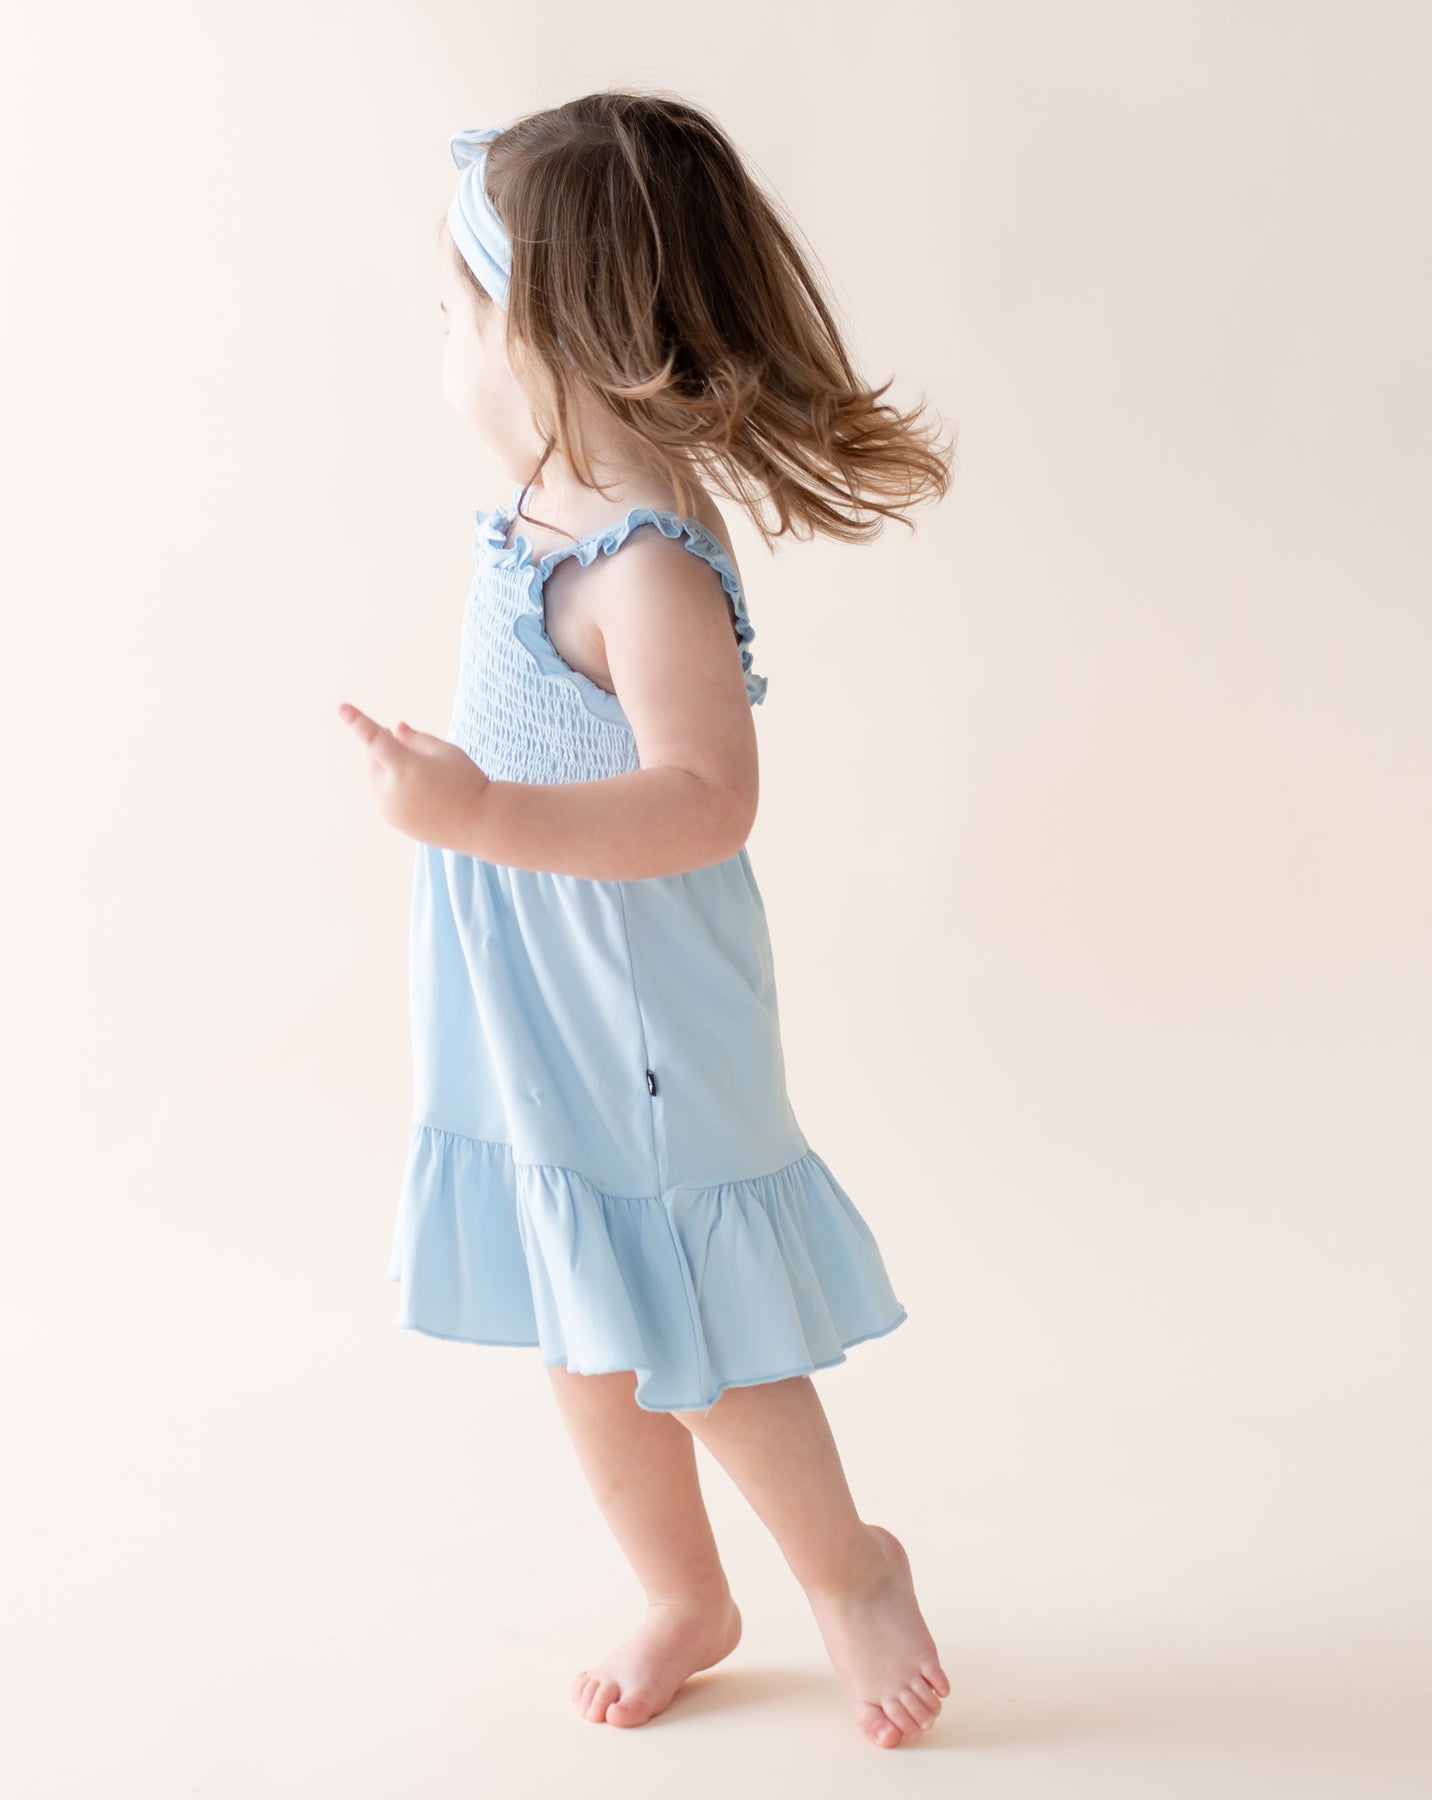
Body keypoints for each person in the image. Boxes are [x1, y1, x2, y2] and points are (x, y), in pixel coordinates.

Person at [338, 91, 956, 1749]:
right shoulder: (542, 507)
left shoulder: (647, 567)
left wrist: (472, 812)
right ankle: (686, 1586)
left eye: (464, 311)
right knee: (581, 1325)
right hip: (531, 1007)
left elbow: (704, 798)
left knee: (706, 1339)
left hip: (639, 1023)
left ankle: (847, 1565)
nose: (444, 343)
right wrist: (460, 801)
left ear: (562, 347)